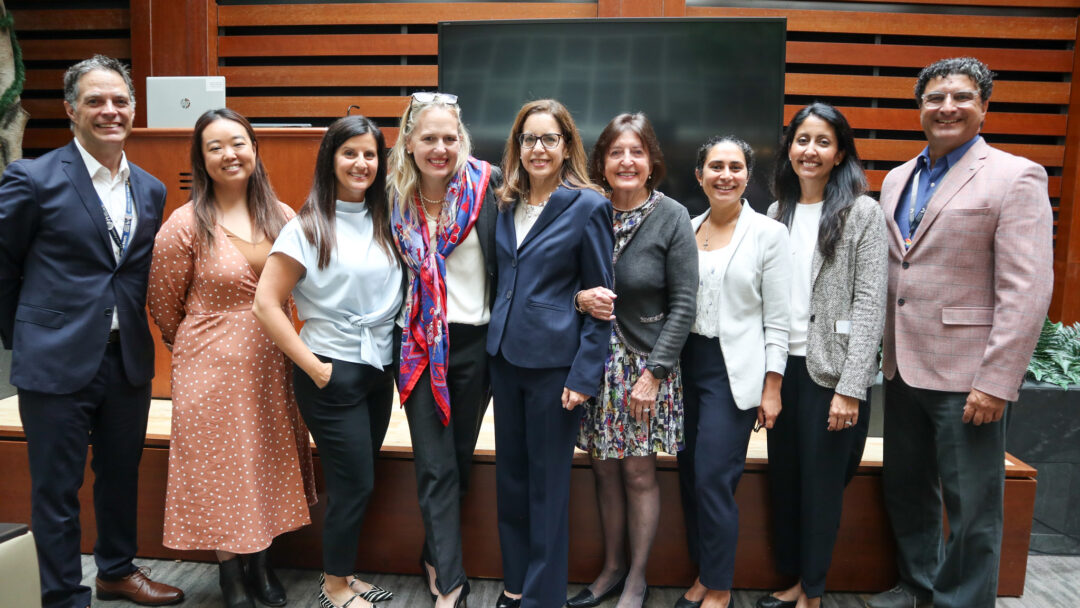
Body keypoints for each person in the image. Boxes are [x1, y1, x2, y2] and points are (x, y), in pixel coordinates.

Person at [865, 57, 1053, 608]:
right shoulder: (899, 178)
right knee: (908, 489)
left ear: (984, 107)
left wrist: (997, 380)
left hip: (969, 375)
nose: (947, 106)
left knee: (972, 506)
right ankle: (919, 586)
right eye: (935, 97)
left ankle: (962, 602)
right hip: (903, 365)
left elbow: (1027, 289)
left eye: (962, 97)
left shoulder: (1015, 175)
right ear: (919, 107)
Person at [0, 55, 184, 608]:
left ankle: (117, 571)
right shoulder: (31, 177)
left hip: (124, 357)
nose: (110, 111)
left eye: (120, 101)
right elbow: (4, 265)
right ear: (71, 110)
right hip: (54, 358)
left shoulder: (149, 190)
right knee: (56, 488)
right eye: (96, 101)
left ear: (133, 109)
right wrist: (26, 334)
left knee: (120, 473)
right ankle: (61, 595)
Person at [147, 108, 317, 608]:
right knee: (221, 466)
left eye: (237, 142)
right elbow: (163, 304)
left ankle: (262, 564)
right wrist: (207, 347)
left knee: (263, 458)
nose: (229, 154)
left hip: (272, 363)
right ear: (201, 159)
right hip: (210, 367)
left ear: (254, 148)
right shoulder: (185, 224)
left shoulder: (283, 215)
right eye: (215, 146)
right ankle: (230, 575)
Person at [253, 115, 401, 608]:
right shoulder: (307, 227)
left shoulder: (387, 220)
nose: (361, 163)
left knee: (355, 483)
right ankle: (334, 586)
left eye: (370, 154)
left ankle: (341, 571)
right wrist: (315, 368)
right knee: (354, 482)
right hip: (329, 371)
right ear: (330, 160)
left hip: (378, 372)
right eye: (349, 153)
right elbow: (266, 304)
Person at [756, 103, 888, 608]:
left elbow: (871, 303)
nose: (809, 150)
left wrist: (851, 388)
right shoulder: (775, 214)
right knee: (787, 481)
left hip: (829, 374)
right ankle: (793, 579)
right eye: (801, 140)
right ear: (789, 149)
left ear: (839, 154)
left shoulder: (863, 212)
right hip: (781, 369)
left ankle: (813, 590)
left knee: (822, 487)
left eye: (822, 142)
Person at [486, 99, 614, 608]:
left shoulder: (589, 205)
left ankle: (542, 598)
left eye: (548, 139)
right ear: (516, 147)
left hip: (555, 369)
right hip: (504, 360)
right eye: (528, 139)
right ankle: (515, 585)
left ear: (566, 147)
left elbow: (600, 299)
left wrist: (584, 374)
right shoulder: (503, 201)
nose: (537, 149)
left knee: (547, 489)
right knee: (511, 482)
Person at [570, 113, 697, 608]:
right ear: (601, 162)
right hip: (591, 363)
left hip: (645, 367)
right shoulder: (585, 209)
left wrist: (655, 374)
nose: (627, 161)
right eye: (616, 152)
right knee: (602, 469)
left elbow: (684, 304)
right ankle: (611, 568)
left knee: (639, 473)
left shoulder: (673, 217)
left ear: (651, 163)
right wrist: (581, 299)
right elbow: (561, 283)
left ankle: (638, 578)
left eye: (637, 152)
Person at [387, 91, 499, 608]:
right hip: (415, 347)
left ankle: (434, 556)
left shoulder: (490, 187)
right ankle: (451, 583)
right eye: (428, 138)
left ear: (463, 141)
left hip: (475, 345)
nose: (440, 148)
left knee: (457, 460)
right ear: (408, 143)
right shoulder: (389, 199)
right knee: (434, 464)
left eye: (449, 138)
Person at [676, 136, 791, 608]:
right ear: (699, 175)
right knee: (688, 476)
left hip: (732, 372)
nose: (726, 175)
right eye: (716, 166)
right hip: (683, 368)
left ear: (747, 175)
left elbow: (779, 319)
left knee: (713, 478)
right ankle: (704, 572)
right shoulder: (686, 226)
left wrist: (773, 386)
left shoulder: (768, 233)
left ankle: (720, 586)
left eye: (736, 167)